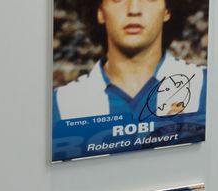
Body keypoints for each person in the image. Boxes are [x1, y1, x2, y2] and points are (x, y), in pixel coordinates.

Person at [52, 0, 206, 123]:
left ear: (167, 10)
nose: (134, 9)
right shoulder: (62, 104)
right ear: (100, 11)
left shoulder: (203, 87)